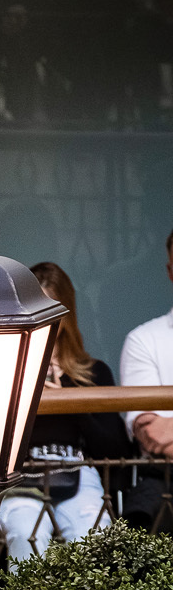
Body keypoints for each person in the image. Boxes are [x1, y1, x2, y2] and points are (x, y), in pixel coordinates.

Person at [0, 261, 130, 560]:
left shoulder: (93, 372)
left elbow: (115, 447)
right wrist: (28, 399)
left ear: (66, 314)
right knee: (26, 533)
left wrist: (71, 402)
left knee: (92, 534)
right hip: (22, 475)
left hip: (79, 471)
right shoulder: (5, 372)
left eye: (51, 311)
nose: (43, 321)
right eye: (35, 310)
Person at [119, 226, 173, 530]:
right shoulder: (143, 340)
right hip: (164, 478)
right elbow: (153, 433)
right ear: (170, 271)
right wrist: (161, 428)